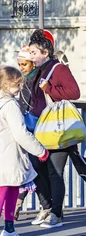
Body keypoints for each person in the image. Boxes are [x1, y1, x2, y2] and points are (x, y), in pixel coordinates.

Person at [28, 29, 80, 228]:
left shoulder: (58, 69)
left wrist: (49, 88)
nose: (31, 56)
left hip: (58, 129)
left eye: (34, 52)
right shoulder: (37, 71)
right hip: (40, 130)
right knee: (36, 167)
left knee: (55, 172)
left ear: (45, 53)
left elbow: (74, 92)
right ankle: (47, 207)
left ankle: (56, 214)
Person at [0, 66, 48, 236]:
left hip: (6, 153)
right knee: (4, 191)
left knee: (12, 188)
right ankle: (8, 229)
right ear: (5, 85)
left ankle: (10, 230)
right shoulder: (10, 105)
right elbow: (21, 133)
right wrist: (40, 150)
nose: (20, 88)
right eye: (17, 85)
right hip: (9, 155)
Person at [14, 46, 37, 221]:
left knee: (28, 168)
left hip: (30, 127)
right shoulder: (24, 79)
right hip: (25, 126)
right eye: (20, 64)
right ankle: (18, 201)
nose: (22, 67)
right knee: (27, 169)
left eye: (24, 64)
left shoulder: (31, 80)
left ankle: (18, 201)